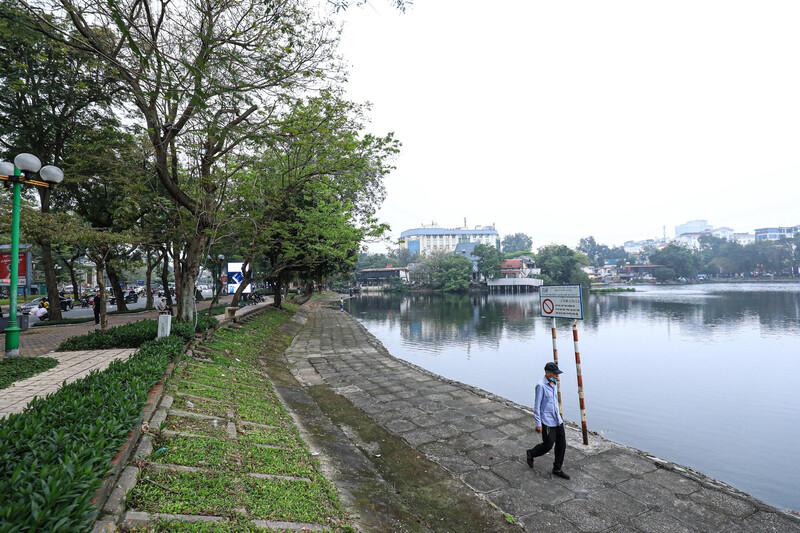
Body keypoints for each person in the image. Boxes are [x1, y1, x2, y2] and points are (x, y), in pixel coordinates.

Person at [526, 361, 570, 479]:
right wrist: (538, 423)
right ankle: (531, 453)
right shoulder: (541, 386)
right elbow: (537, 406)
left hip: (557, 420)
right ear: (547, 373)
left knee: (562, 445)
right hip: (547, 421)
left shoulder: (555, 384)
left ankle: (557, 468)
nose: (557, 375)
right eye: (555, 373)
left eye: (557, 374)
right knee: (548, 445)